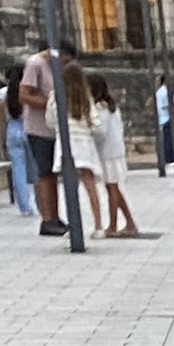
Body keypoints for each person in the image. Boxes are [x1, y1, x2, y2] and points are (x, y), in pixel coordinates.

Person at [16, 40, 65, 235]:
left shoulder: (54, 67)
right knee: (45, 173)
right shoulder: (35, 64)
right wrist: (50, 105)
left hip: (52, 129)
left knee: (53, 174)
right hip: (38, 129)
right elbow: (24, 94)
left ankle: (55, 215)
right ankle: (47, 218)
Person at [88, 74, 140, 238]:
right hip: (115, 150)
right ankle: (130, 222)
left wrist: (88, 129)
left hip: (107, 152)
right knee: (114, 188)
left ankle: (113, 225)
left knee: (112, 188)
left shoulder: (99, 107)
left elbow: (100, 132)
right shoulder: (111, 105)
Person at [65, 62, 106, 236]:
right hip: (85, 143)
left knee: (69, 185)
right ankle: (98, 225)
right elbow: (96, 124)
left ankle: (73, 224)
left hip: (67, 142)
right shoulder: (87, 98)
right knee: (90, 185)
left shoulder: (57, 96)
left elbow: (50, 120)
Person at [0, 62, 35, 218]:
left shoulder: (2, 93)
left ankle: (24, 207)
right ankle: (42, 205)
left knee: (18, 170)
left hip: (12, 130)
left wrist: (1, 135)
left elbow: (0, 117)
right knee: (36, 171)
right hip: (29, 129)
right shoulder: (28, 92)